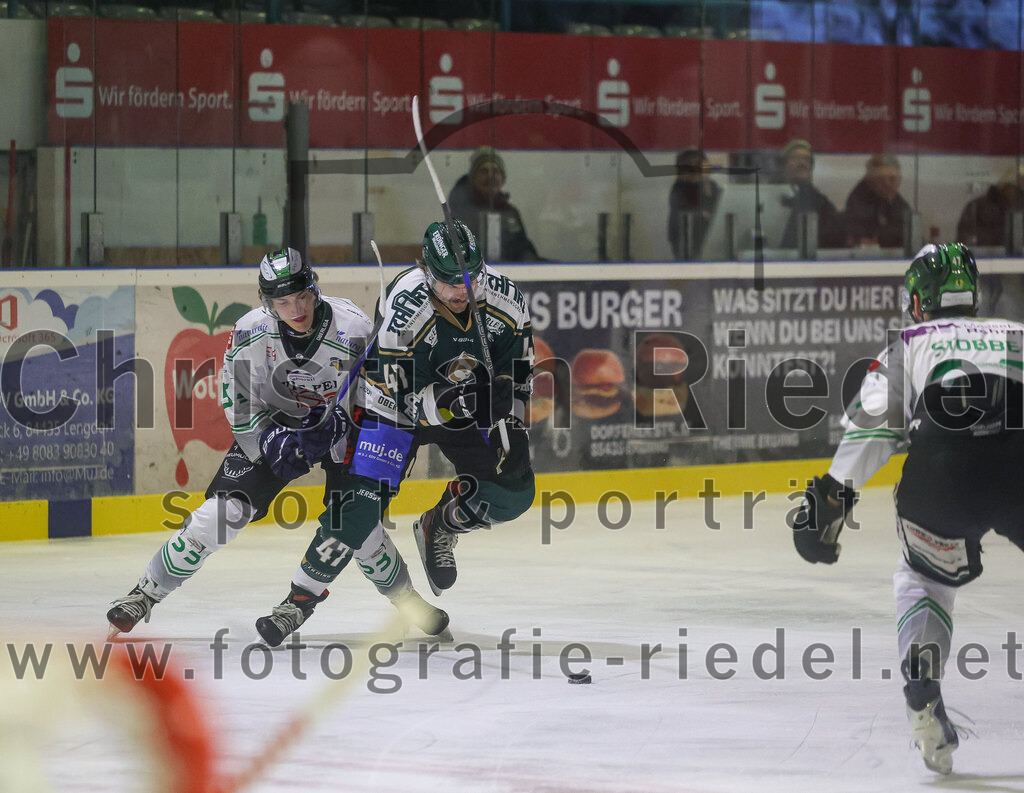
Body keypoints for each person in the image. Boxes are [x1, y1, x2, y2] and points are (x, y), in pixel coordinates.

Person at [105, 248, 448, 642]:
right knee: (219, 516)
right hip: (275, 426)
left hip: (344, 432)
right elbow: (236, 400)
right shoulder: (250, 332)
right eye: (283, 302)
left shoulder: (354, 328)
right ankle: (145, 594)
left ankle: (393, 600)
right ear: (267, 303)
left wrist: (344, 421)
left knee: (356, 527)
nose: (295, 309)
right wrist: (270, 440)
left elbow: (381, 394)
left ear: (314, 288)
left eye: (301, 296)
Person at [790, 242, 1024, 774]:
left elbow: (873, 427)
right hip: (1020, 465)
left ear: (919, 302)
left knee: (924, 579)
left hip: (942, 475)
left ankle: (923, 681)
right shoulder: (1017, 333)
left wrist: (831, 497)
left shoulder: (910, 342)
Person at [254, 220, 535, 645]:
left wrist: (509, 416)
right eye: (448, 283)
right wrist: (461, 401)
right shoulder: (405, 310)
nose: (463, 291)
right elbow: (399, 400)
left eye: (470, 278)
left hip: (467, 404)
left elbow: (520, 374)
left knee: (515, 490)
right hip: (394, 411)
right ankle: (298, 600)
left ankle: (441, 524)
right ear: (426, 273)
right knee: (359, 507)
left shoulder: (506, 300)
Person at [448, 146, 542, 262]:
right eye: (484, 171)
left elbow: (521, 248)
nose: (491, 176)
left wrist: (531, 261)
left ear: (502, 178)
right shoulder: (461, 213)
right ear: (474, 178)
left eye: (496, 171)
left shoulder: (510, 213)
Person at [777, 138, 846, 249]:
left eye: (807, 159)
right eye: (796, 158)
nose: (802, 163)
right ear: (783, 165)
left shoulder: (821, 204)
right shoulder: (769, 195)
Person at [844, 153, 912, 248]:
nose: (888, 184)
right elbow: (866, 237)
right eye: (881, 179)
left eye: (893, 178)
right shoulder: (859, 201)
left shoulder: (895, 200)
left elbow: (913, 237)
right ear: (871, 179)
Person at [668, 147, 722, 260]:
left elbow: (716, 211)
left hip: (714, 245)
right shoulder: (680, 188)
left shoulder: (712, 186)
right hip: (687, 248)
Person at [956, 161, 1024, 247]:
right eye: (1017, 189)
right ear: (1005, 186)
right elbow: (965, 240)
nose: (1018, 194)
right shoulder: (977, 207)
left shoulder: (1019, 209)